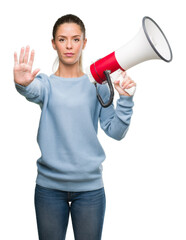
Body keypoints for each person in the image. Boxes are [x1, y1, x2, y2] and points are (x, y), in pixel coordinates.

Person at [14, 14, 136, 240]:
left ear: (84, 42)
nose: (69, 46)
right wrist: (22, 84)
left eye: (75, 39)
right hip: (49, 189)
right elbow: (32, 90)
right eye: (62, 40)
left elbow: (115, 131)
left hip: (90, 189)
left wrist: (126, 101)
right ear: (53, 44)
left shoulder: (98, 85)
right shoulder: (45, 84)